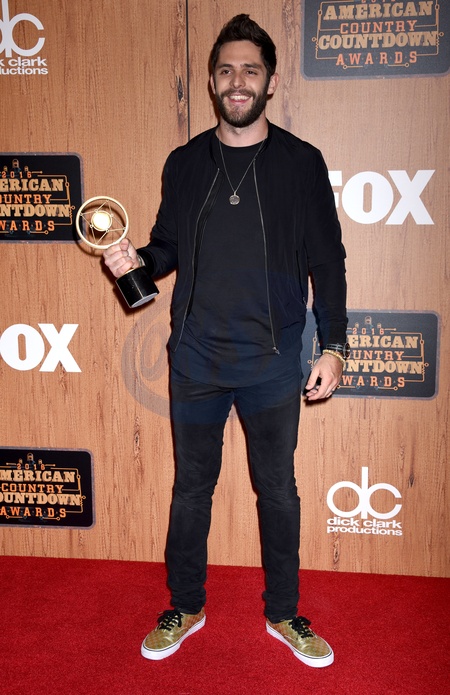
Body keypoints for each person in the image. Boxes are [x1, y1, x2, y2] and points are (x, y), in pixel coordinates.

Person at [103, 14, 348, 668]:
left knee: (280, 491)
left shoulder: (301, 163)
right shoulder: (185, 163)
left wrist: (334, 346)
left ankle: (284, 612)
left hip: (272, 363)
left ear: (271, 82)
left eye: (251, 70)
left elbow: (327, 261)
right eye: (227, 70)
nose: (238, 81)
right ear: (212, 82)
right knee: (191, 490)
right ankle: (186, 605)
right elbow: (166, 248)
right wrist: (133, 261)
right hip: (197, 361)